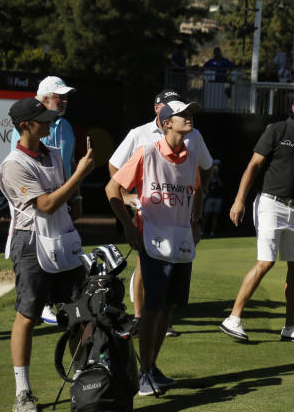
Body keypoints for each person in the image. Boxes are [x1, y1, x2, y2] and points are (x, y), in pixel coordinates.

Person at [220, 89, 294, 343]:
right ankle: (233, 318)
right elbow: (253, 166)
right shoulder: (276, 131)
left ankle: (290, 326)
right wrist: (239, 200)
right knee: (266, 262)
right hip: (270, 204)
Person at [0, 97, 94, 412]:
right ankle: (22, 394)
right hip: (30, 243)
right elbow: (47, 205)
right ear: (26, 125)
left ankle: (84, 379)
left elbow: (63, 194)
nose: (50, 122)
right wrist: (80, 176)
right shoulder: (11, 166)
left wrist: (75, 191)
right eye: (43, 118)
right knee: (28, 315)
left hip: (63, 240)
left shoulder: (52, 154)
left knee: (81, 314)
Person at [106, 99, 204, 396]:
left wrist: (196, 221)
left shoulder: (190, 157)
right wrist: (127, 224)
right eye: (182, 114)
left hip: (181, 241)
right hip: (153, 239)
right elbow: (113, 189)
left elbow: (197, 189)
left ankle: (150, 365)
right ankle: (144, 372)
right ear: (166, 123)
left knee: (169, 307)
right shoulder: (147, 152)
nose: (189, 118)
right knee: (153, 307)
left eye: (189, 113)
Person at [109, 89, 214, 337]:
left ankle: (159, 329)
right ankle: (139, 318)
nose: (188, 117)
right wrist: (126, 198)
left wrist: (197, 204)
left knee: (169, 292)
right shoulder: (140, 136)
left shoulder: (193, 138)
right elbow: (115, 170)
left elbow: (203, 172)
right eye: (181, 111)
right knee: (143, 268)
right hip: (150, 216)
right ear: (161, 112)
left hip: (180, 221)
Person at [9, 75, 82, 326]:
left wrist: (78, 195)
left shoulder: (66, 126)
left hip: (65, 198)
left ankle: (58, 302)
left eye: (66, 97)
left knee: (62, 250)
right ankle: (45, 304)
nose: (64, 101)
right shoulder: (28, 129)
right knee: (42, 252)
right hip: (40, 204)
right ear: (44, 99)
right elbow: (24, 167)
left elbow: (69, 163)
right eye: (59, 96)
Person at [202, 160, 225, 237]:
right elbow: (205, 185)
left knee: (215, 216)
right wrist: (211, 174)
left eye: (217, 165)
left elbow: (221, 185)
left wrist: (217, 175)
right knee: (206, 215)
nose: (216, 167)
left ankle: (212, 232)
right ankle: (202, 231)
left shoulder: (221, 175)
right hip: (210, 197)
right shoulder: (209, 175)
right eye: (214, 165)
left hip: (218, 198)